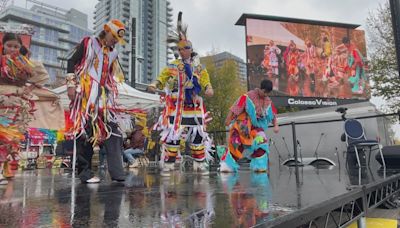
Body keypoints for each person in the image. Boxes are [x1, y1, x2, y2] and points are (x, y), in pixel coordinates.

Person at [147, 12, 214, 176]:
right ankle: (169, 164)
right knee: (173, 135)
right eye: (179, 49)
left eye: (185, 48)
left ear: (191, 49)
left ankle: (199, 163)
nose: (182, 51)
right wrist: (154, 85)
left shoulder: (199, 67)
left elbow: (205, 81)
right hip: (176, 107)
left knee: (197, 134)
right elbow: (161, 79)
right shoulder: (172, 66)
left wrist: (208, 88)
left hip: (194, 106)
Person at [66, 19, 127, 183]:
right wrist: (71, 85)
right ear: (106, 30)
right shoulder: (89, 43)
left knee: (112, 130)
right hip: (87, 93)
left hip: (103, 95)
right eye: (113, 36)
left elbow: (109, 76)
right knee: (86, 131)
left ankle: (117, 172)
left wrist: (109, 94)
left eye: (117, 38)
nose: (115, 40)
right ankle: (84, 172)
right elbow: (71, 61)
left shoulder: (114, 53)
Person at [0, 33, 35, 184]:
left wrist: (29, 88)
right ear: (3, 46)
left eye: (16, 46)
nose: (13, 49)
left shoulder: (25, 64)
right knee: (2, 136)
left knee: (13, 139)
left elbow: (39, 77)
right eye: (9, 46)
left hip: (18, 104)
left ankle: (7, 167)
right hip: (2, 102)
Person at [224, 79, 279, 172]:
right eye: (264, 92)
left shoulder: (268, 101)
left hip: (257, 126)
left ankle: (259, 166)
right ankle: (228, 166)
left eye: (268, 93)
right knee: (236, 143)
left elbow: (273, 114)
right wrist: (228, 119)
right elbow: (236, 106)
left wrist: (276, 125)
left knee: (262, 143)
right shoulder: (248, 96)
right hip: (244, 123)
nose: (265, 94)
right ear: (261, 89)